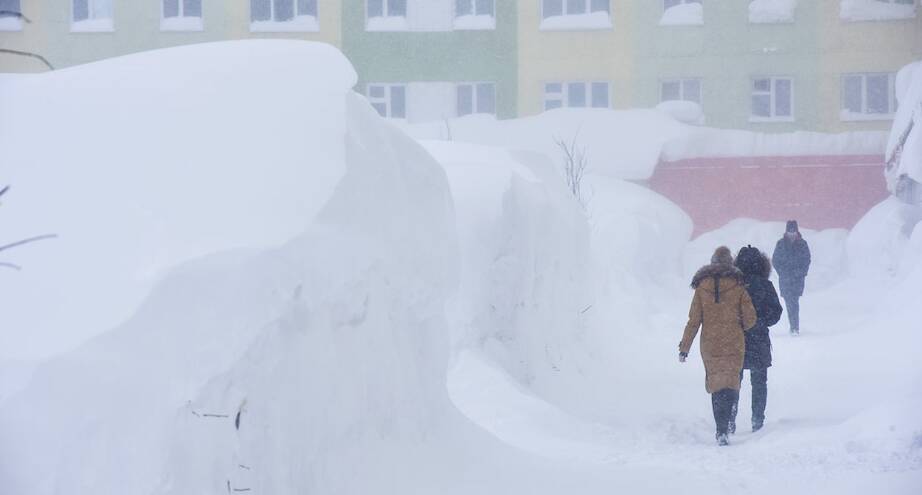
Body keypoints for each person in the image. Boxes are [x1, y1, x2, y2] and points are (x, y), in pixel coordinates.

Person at [679, 246, 757, 446]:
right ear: (730, 263)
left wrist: (684, 347)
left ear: (712, 263)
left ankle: (720, 429)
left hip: (710, 343)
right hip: (734, 342)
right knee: (730, 382)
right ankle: (727, 422)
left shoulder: (701, 287)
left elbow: (693, 320)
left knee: (716, 385)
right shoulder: (739, 286)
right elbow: (750, 320)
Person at [729, 246, 783, 434]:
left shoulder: (733, 286)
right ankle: (757, 419)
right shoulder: (765, 285)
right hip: (759, 340)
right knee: (759, 382)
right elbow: (776, 313)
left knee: (734, 382)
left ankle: (730, 418)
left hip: (736, 339)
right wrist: (760, 322)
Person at [772, 220, 811, 336]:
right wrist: (782, 272)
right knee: (790, 302)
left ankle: (794, 327)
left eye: (793, 231)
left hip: (798, 279)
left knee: (794, 301)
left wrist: (801, 272)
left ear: (797, 231)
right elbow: (775, 260)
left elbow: (807, 260)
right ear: (786, 231)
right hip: (785, 279)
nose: (792, 234)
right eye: (790, 231)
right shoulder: (780, 244)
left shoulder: (803, 244)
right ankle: (794, 326)